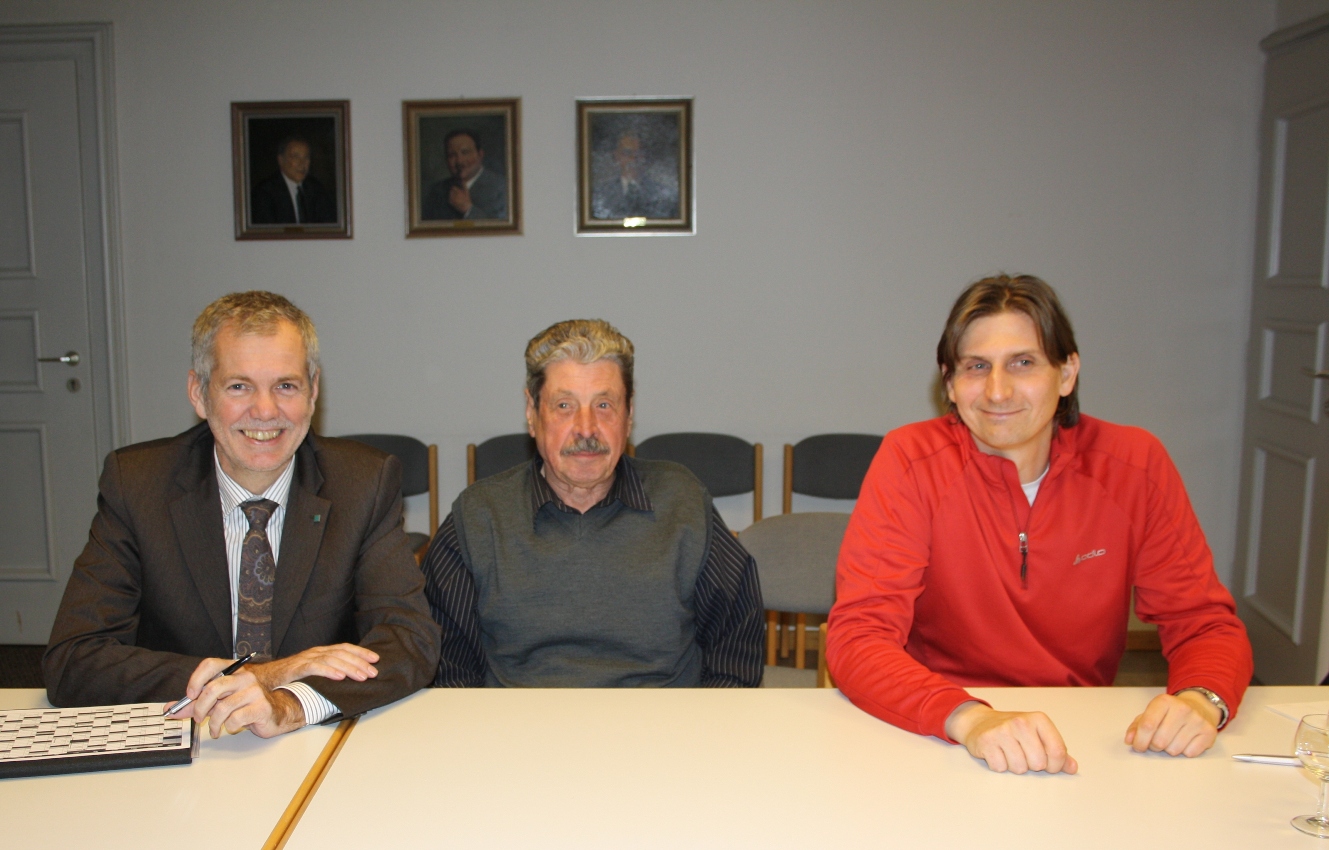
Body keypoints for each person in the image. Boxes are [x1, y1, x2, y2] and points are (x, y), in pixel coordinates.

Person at [827, 273, 1253, 774]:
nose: (997, 390)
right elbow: (860, 635)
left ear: (1066, 373)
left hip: (1081, 733)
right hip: (942, 729)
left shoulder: (1134, 465)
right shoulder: (910, 460)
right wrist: (968, 718)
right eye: (976, 366)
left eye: (1023, 363)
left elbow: (1204, 623)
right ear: (949, 383)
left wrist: (1202, 699)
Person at [43, 291, 440, 738]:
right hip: (185, 739)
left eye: (285, 386)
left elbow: (409, 641)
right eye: (239, 386)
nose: (265, 411)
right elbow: (72, 660)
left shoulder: (363, 484)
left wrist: (289, 704)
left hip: (312, 739)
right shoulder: (138, 485)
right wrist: (265, 675)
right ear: (199, 393)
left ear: (313, 392)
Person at [421, 319, 764, 687]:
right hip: (521, 720)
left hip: (661, 719)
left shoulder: (683, 502)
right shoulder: (479, 517)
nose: (586, 428)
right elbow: (449, 669)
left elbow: (735, 652)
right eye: (564, 405)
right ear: (532, 413)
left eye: (603, 405)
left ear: (629, 415)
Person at [421, 129, 508, 221]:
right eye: (452, 155)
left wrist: (468, 210)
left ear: (480, 155)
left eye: (465, 152)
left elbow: (504, 227)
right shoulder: (437, 191)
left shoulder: (501, 187)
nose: (459, 161)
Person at [591, 131, 679, 221]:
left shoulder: (664, 195)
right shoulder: (599, 194)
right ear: (617, 156)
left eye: (638, 153)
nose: (633, 159)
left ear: (644, 157)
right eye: (627, 153)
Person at [251, 136, 337, 225]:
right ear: (281, 160)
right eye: (296, 157)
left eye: (306, 157)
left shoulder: (317, 189)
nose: (302, 163)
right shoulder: (264, 193)